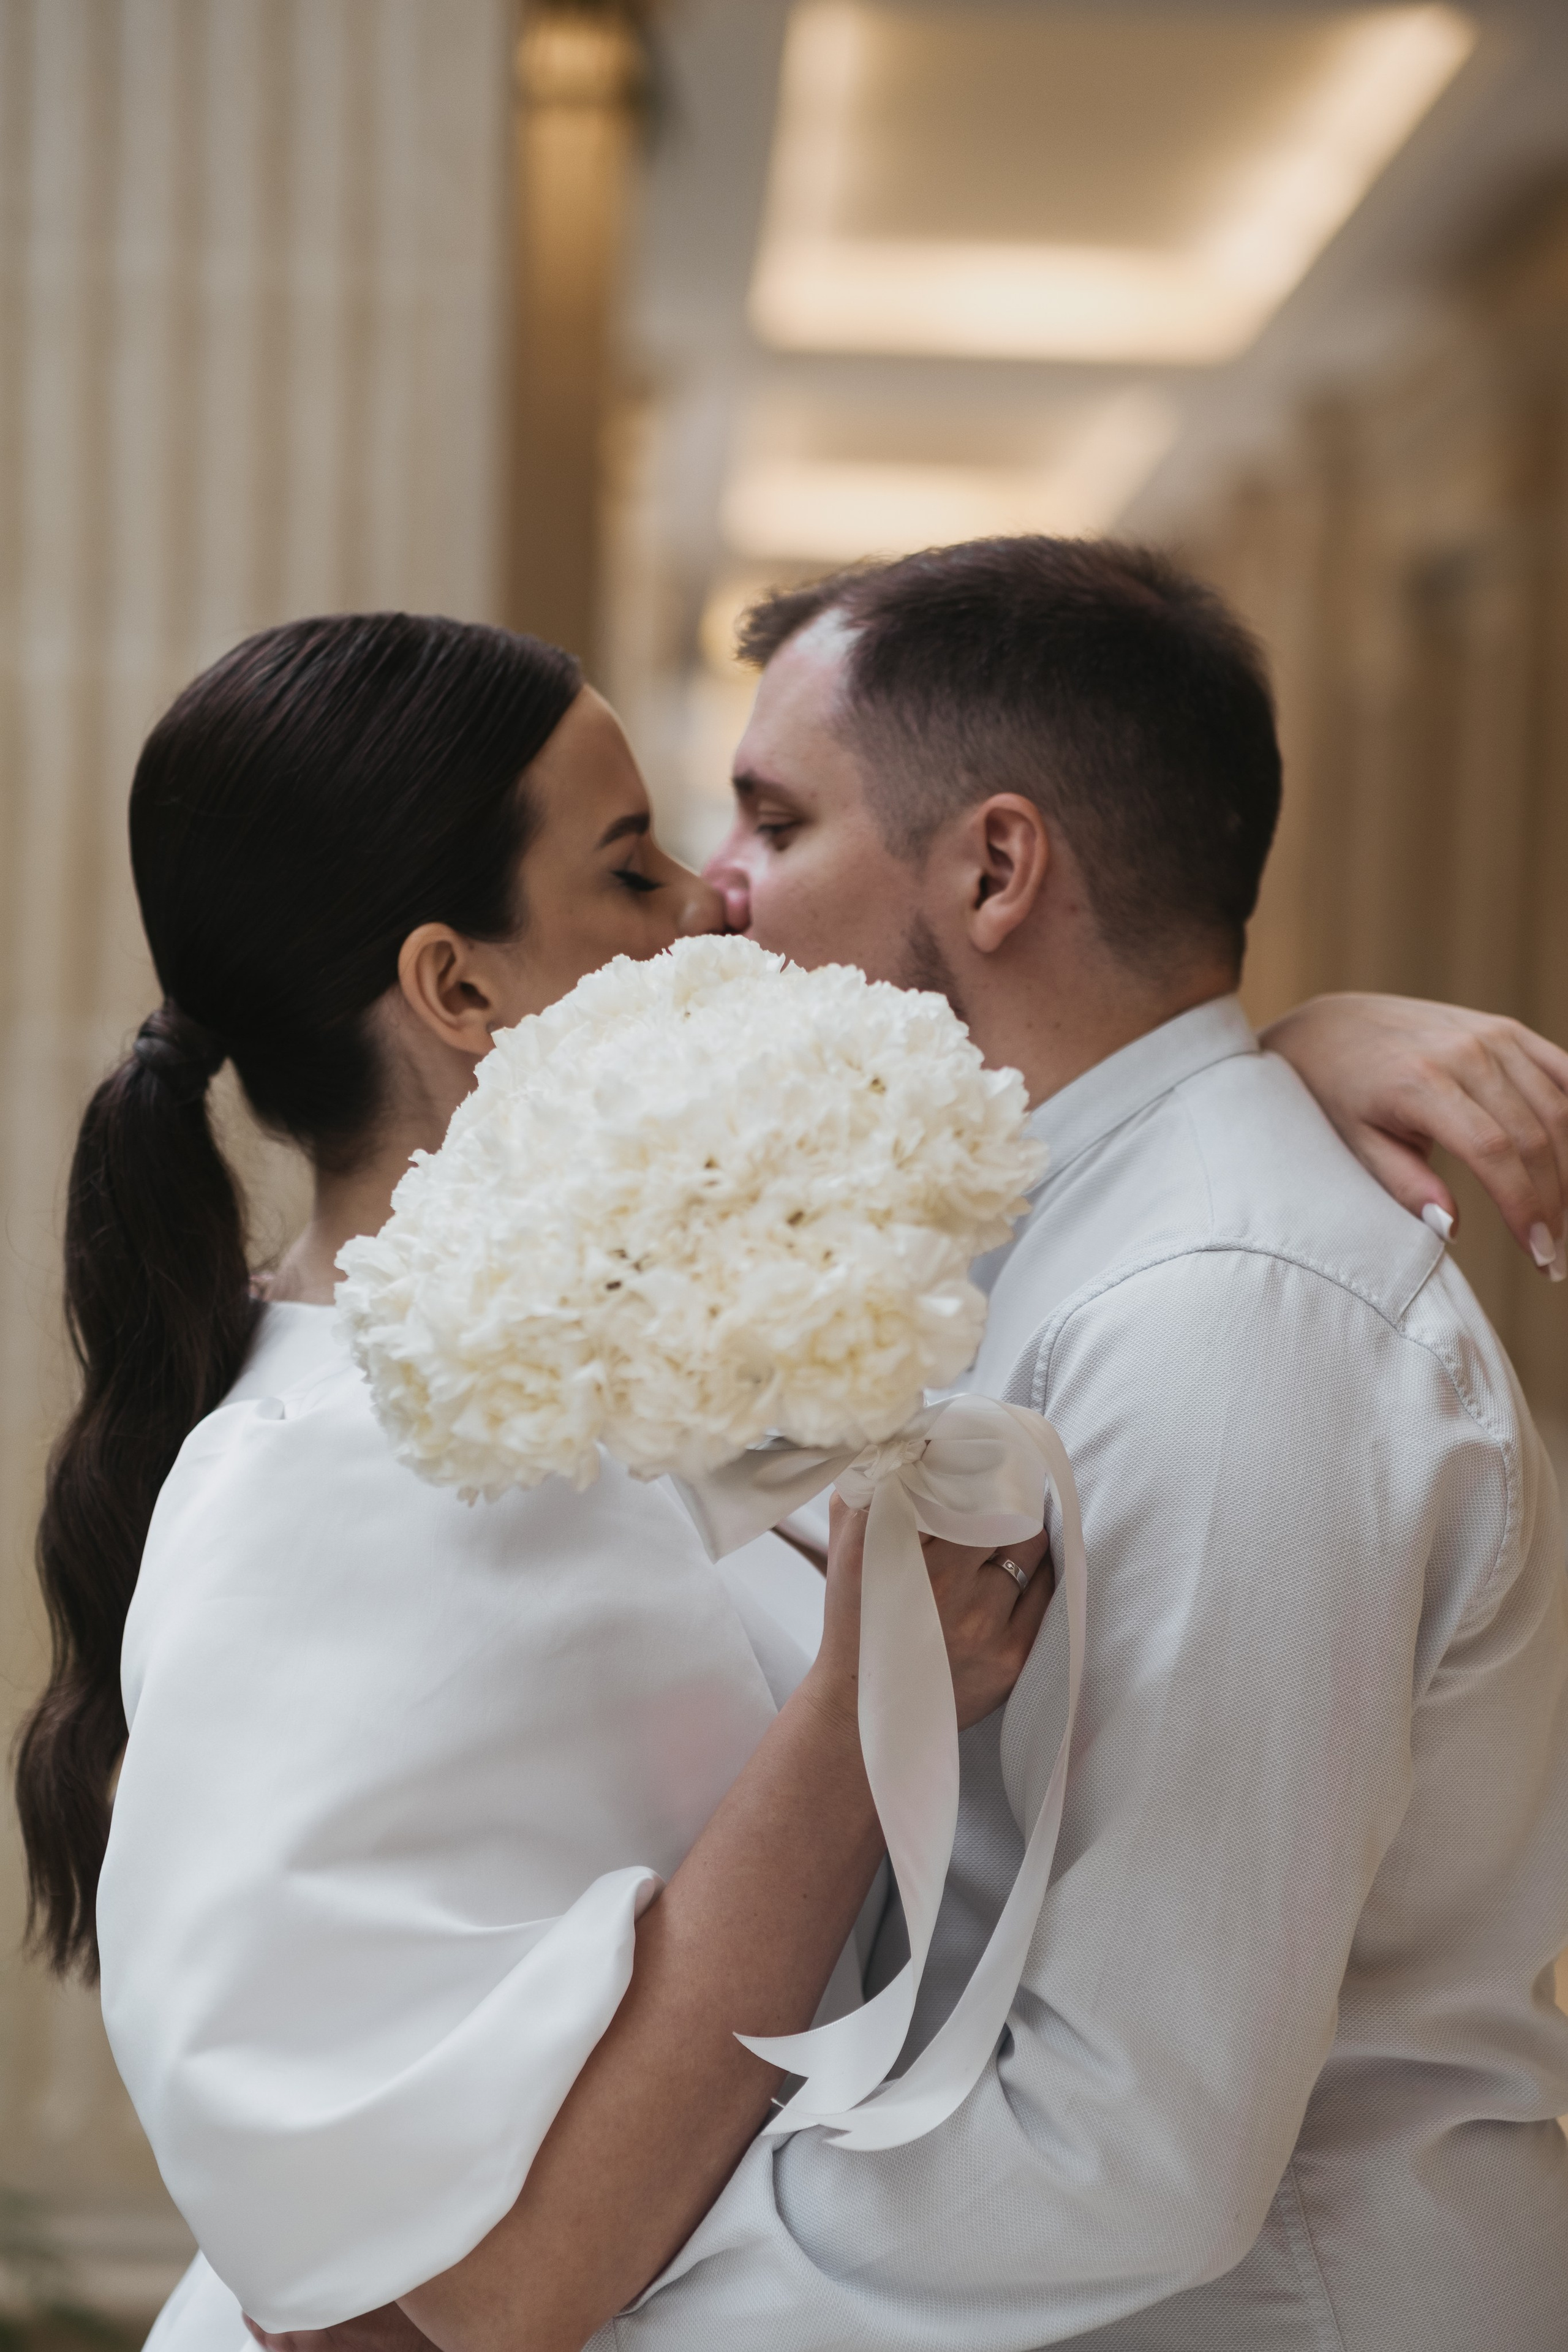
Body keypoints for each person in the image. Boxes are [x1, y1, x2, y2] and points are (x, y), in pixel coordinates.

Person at [17, 586, 1566, 2352]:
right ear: (452, 987)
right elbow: (457, 2271)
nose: (715, 904)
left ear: (996, 872)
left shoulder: (1171, 1310)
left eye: (762, 823)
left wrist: (1263, 1065)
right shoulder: (377, 1463)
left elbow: (1120, 2131)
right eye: (641, 863)